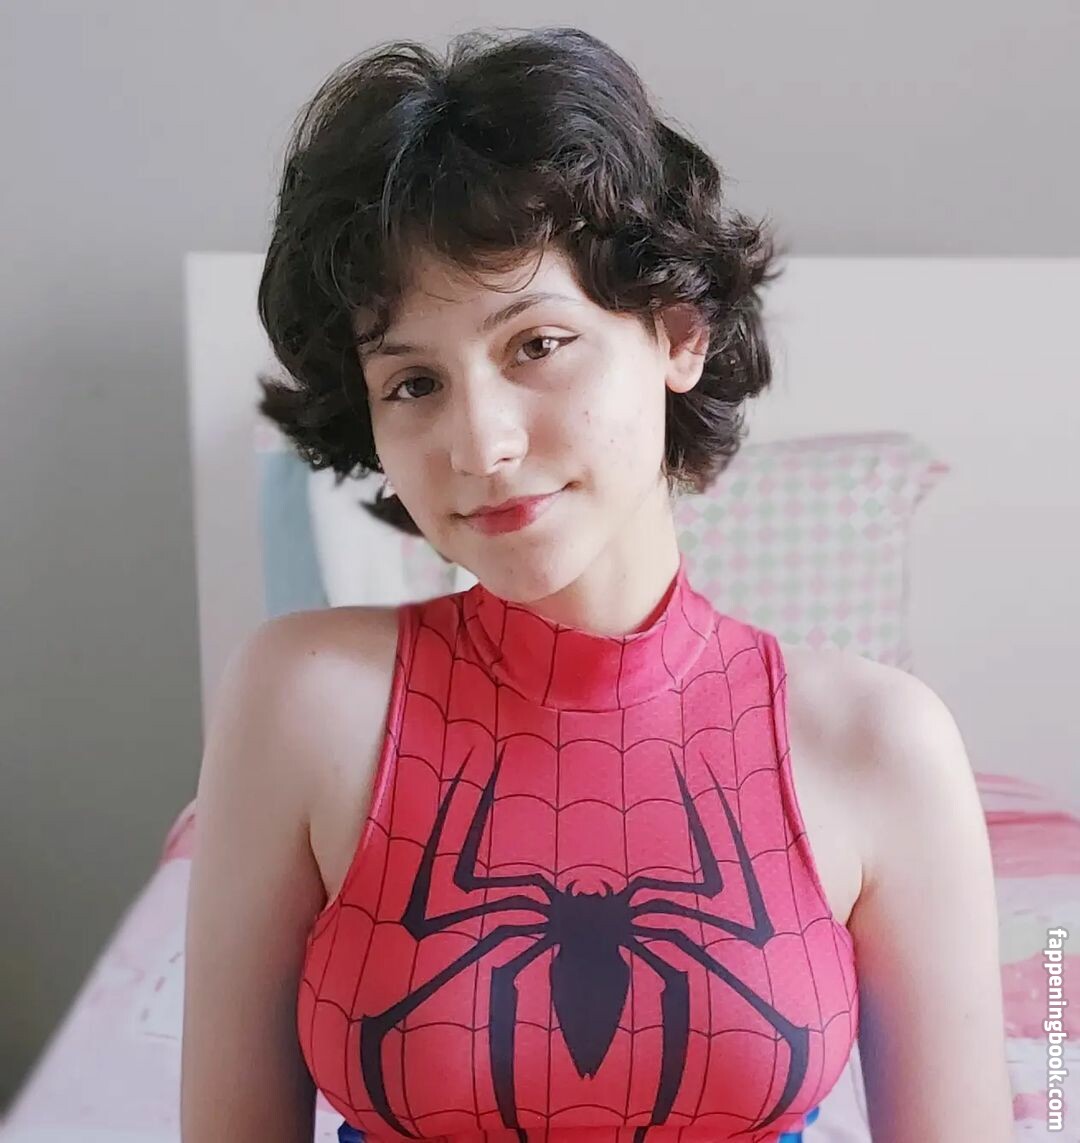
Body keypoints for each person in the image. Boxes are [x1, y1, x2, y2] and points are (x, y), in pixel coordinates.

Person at [180, 26, 1014, 1143]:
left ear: (678, 334)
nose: (481, 444)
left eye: (536, 345)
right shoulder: (302, 698)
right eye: (414, 382)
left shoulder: (881, 744)